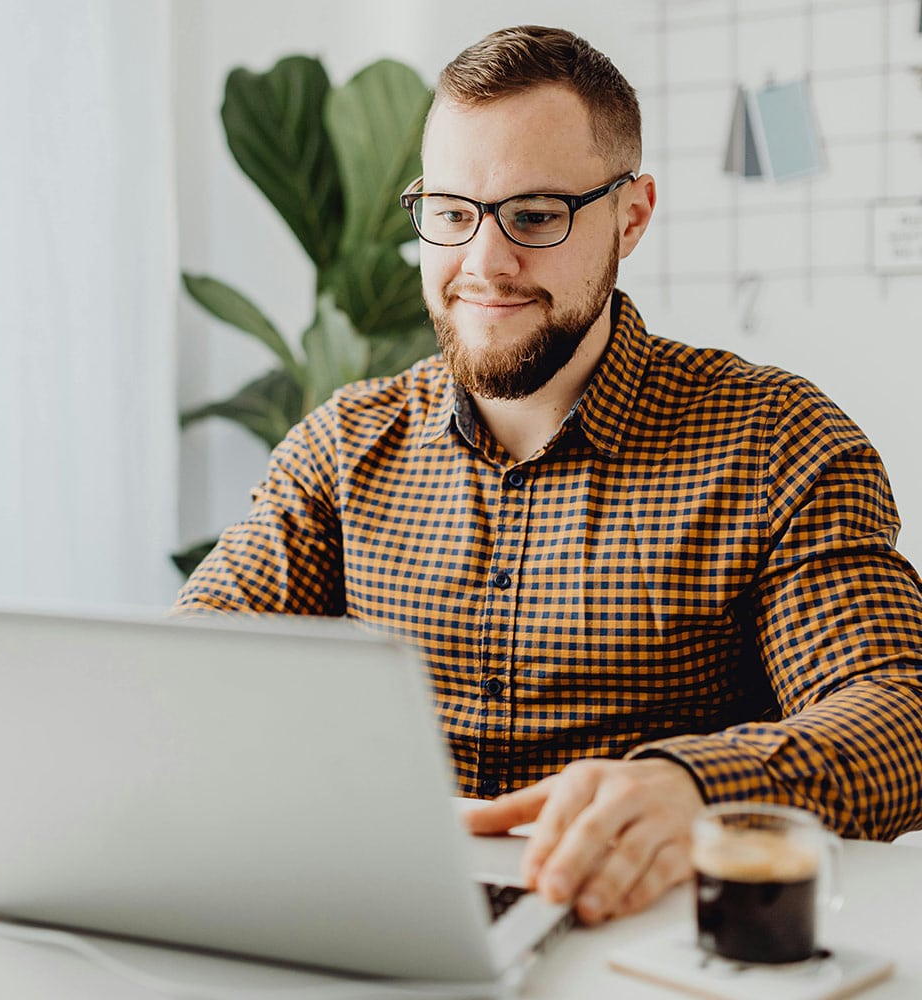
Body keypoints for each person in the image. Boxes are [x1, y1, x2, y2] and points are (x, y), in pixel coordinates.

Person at [174, 25, 922, 925]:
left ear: (631, 217)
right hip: (382, 924)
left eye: (533, 216)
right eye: (452, 213)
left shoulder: (775, 443)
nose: (484, 264)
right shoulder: (342, 446)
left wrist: (695, 786)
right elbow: (184, 675)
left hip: (642, 936)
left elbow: (900, 715)